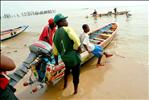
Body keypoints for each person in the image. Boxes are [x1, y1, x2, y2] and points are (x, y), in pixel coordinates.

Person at [53, 13, 81, 95]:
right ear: (60, 23)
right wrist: (79, 49)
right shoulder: (67, 29)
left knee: (67, 71)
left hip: (65, 58)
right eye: (65, 20)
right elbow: (76, 40)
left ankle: (65, 85)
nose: (66, 21)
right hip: (74, 57)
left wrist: (56, 62)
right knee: (76, 75)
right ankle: (75, 91)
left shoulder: (55, 35)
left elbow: (55, 51)